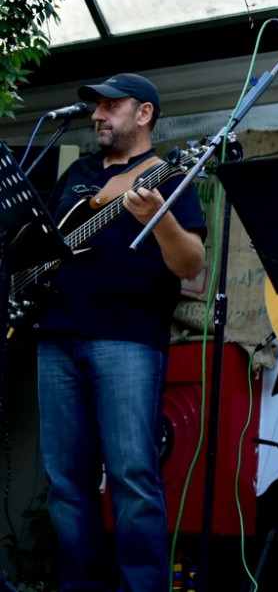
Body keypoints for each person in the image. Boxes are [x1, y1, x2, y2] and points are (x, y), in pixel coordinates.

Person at [35, 73, 207, 591]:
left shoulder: (169, 175)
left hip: (127, 340)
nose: (97, 115)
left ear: (144, 113)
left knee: (133, 477)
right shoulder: (80, 172)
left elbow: (191, 264)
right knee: (66, 483)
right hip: (57, 336)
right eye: (97, 107)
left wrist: (160, 218)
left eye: (111, 106)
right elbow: (46, 245)